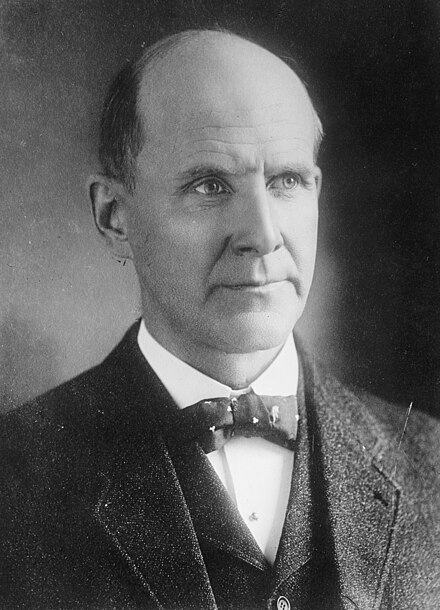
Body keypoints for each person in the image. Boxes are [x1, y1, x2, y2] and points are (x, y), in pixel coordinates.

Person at [1, 28, 439, 610]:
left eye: (286, 181)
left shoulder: (431, 464)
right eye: (210, 185)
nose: (262, 235)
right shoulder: (17, 477)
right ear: (114, 215)